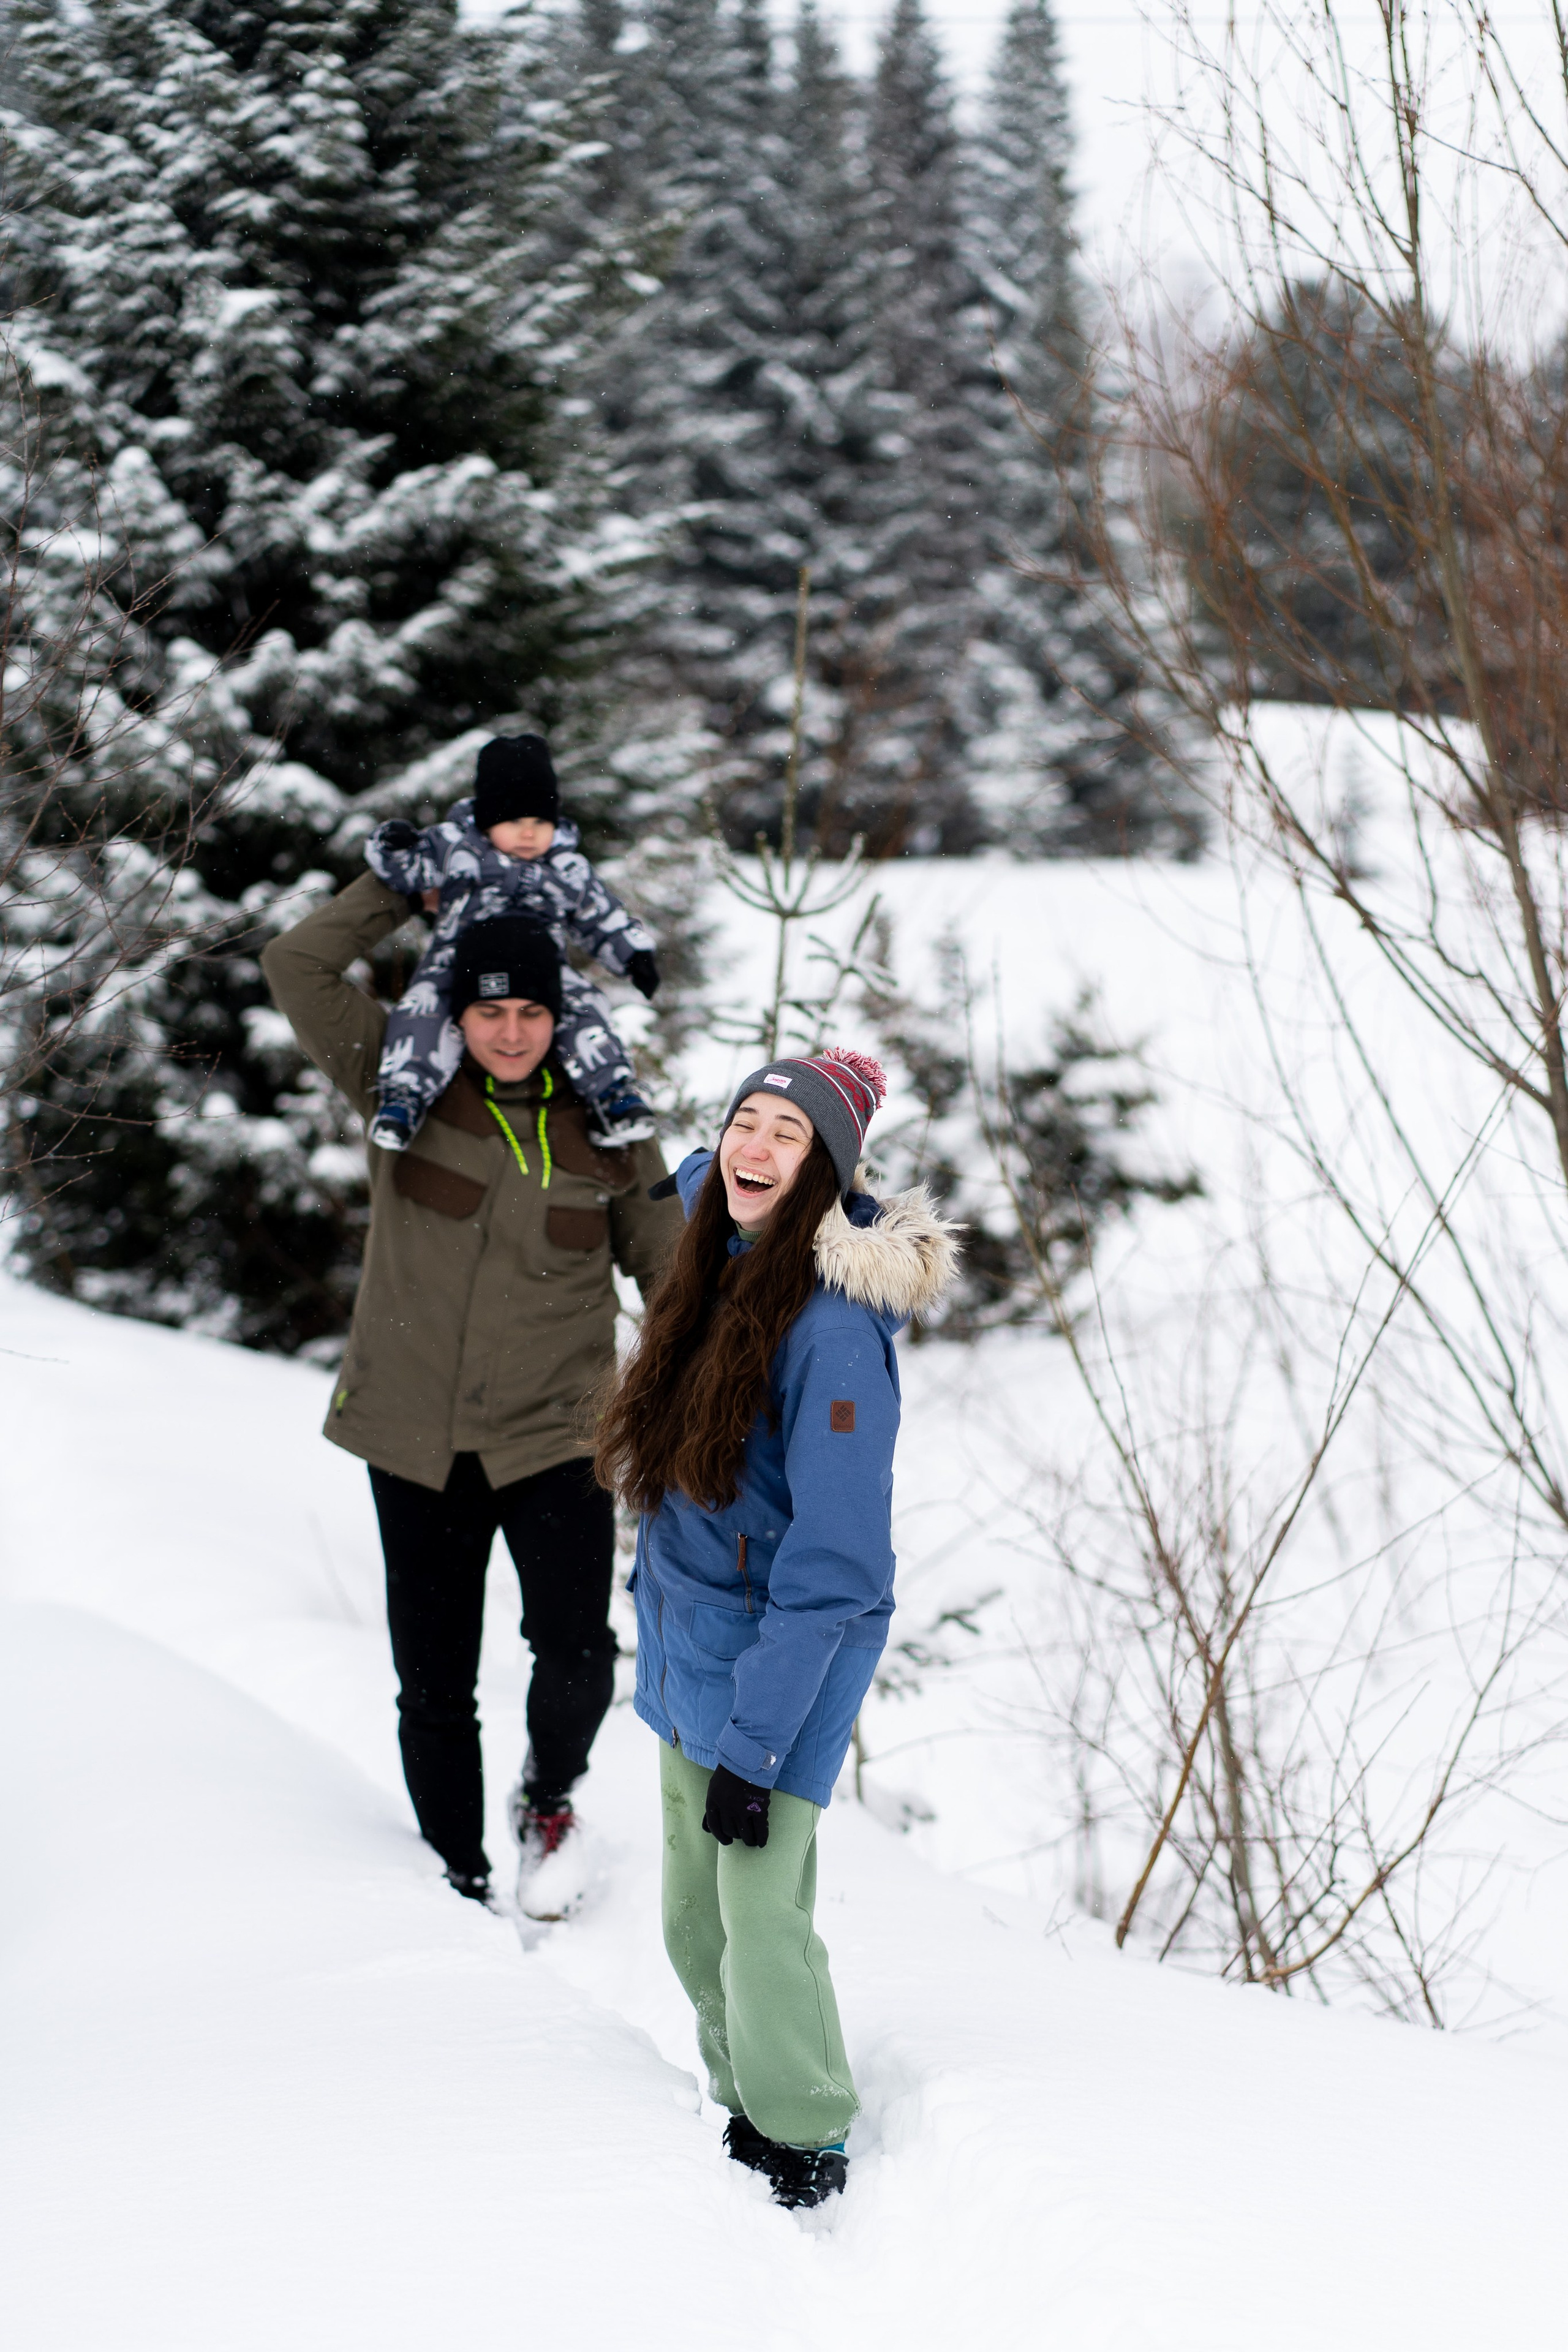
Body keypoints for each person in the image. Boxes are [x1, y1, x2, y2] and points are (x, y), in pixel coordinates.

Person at [261, 875, 680, 1915]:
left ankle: (548, 1799)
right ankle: (456, 1876)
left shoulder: (610, 1124)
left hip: (556, 1434)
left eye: (530, 1010)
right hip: (414, 1436)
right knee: (437, 1684)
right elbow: (295, 965)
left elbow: (675, 1281)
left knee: (579, 1653)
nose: (509, 1032)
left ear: (559, 1014)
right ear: (456, 1011)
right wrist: (402, 884)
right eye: (488, 1011)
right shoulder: (399, 1082)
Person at [594, 1049, 959, 2209]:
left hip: (786, 1657)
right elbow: (697, 1168)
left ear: (826, 1173)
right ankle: (739, 2095)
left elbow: (839, 1562)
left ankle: (804, 2134)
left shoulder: (835, 1329)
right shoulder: (721, 1242)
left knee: (759, 1917)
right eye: (746, 1121)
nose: (753, 1148)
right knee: (691, 1913)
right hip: (687, 1637)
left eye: (786, 1136)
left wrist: (756, 1747)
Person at [363, 733, 661, 1154]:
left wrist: (634, 955)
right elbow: (408, 872)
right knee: (423, 1010)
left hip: (542, 963)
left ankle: (613, 1093)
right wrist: (392, 847)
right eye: (514, 821)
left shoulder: (565, 866)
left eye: (540, 822)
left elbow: (599, 913)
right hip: (459, 955)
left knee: (585, 1008)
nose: (528, 833)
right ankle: (404, 1097)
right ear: (486, 819)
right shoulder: (456, 848)